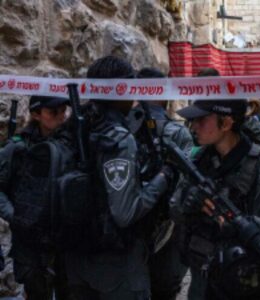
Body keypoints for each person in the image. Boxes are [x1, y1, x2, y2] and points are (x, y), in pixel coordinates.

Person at [63, 56, 176, 300]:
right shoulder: (118, 138)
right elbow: (125, 212)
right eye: (129, 86)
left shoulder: (74, 126)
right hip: (115, 262)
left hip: (75, 256)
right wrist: (162, 178)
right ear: (118, 90)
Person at [170, 99, 260, 300]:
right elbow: (173, 209)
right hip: (204, 279)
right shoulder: (195, 160)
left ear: (226, 123)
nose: (193, 127)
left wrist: (248, 223)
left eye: (201, 120)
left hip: (248, 279)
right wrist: (188, 202)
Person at [129, 67, 193, 300]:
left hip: (125, 228)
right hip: (165, 227)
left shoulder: (119, 127)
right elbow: (183, 191)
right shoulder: (177, 132)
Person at [0, 96, 70, 299]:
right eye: (53, 112)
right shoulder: (18, 148)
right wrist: (15, 216)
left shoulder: (70, 144)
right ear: (36, 115)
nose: (61, 117)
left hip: (63, 236)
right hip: (29, 240)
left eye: (63, 111)